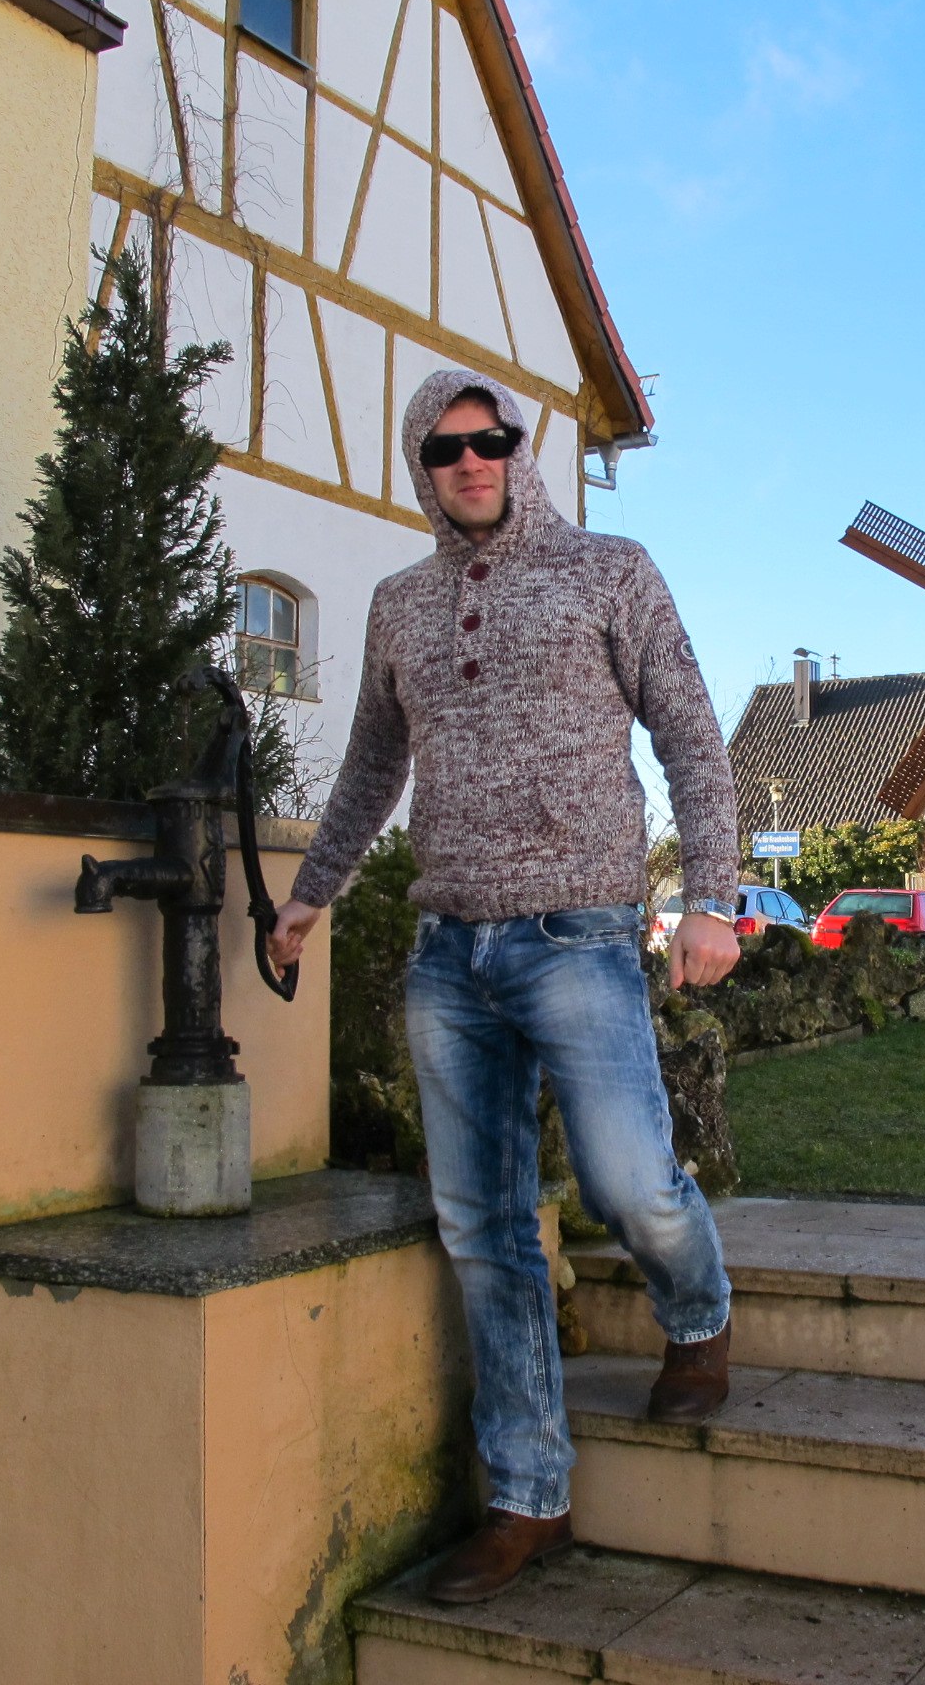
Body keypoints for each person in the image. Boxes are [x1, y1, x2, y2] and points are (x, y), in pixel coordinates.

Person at [266, 369, 740, 1604]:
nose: (469, 460)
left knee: (631, 1186)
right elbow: (372, 766)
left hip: (578, 935)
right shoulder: (397, 603)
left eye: (490, 439)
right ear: (419, 468)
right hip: (449, 956)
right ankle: (529, 1496)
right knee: (484, 1230)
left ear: (519, 450)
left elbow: (691, 735)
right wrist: (311, 893)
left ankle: (698, 1315)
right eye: (443, 449)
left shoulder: (609, 571)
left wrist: (711, 897)